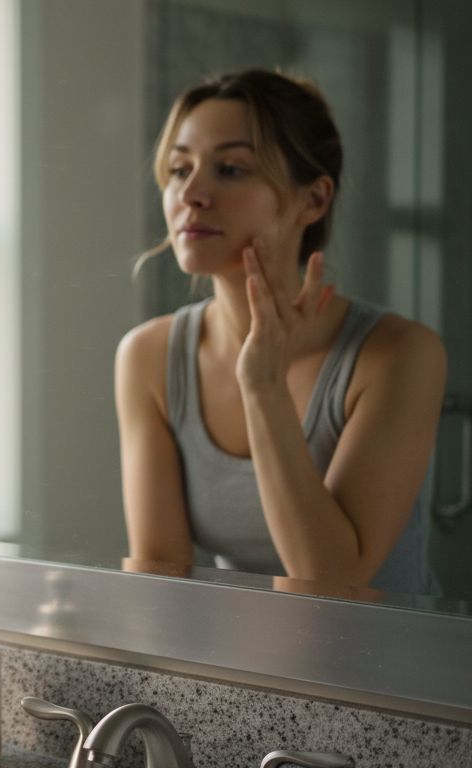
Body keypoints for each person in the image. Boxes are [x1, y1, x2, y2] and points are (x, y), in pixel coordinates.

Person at [115, 70, 445, 595]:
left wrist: (263, 386)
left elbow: (332, 585)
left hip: (388, 672)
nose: (192, 193)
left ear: (312, 201)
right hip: (247, 671)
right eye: (179, 169)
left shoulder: (398, 355)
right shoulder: (149, 357)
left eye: (230, 168)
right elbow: (162, 587)